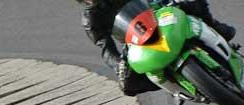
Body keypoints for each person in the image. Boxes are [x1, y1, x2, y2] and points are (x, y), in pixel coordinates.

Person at [79, 0, 236, 96]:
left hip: (157, 14)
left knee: (189, 2)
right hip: (136, 41)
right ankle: (179, 85)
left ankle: (214, 26)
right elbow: (106, 49)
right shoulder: (90, 19)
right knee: (128, 85)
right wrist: (118, 66)